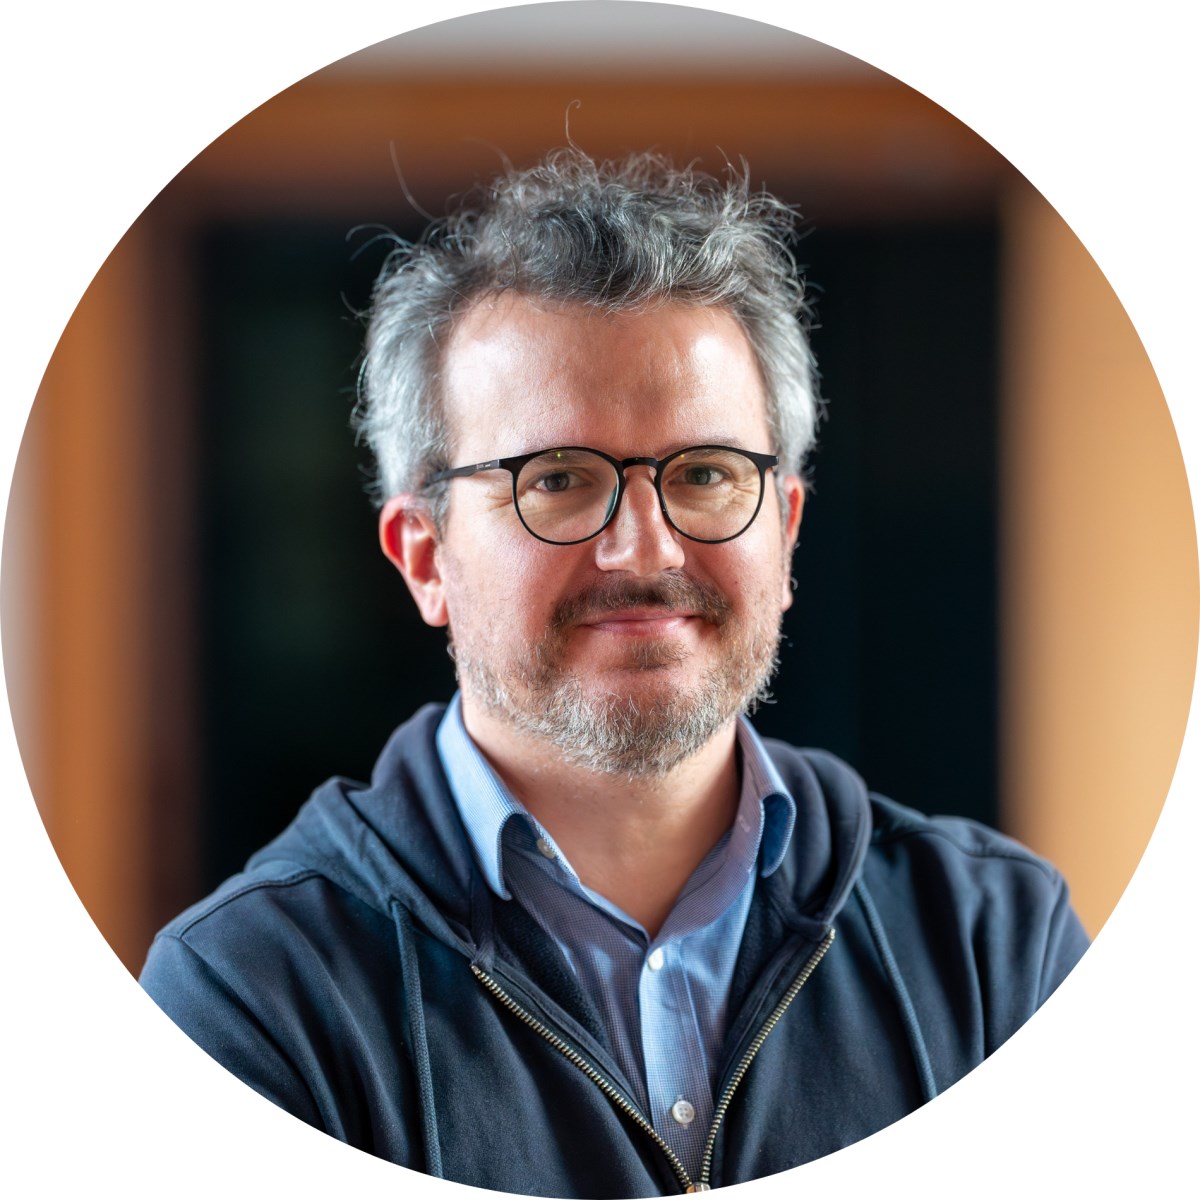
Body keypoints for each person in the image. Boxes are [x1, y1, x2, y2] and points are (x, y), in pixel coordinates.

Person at [141, 149, 1089, 1197]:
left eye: (706, 473)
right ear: (425, 558)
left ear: (785, 531)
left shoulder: (997, 950)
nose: (646, 549)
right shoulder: (249, 997)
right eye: (555, 479)